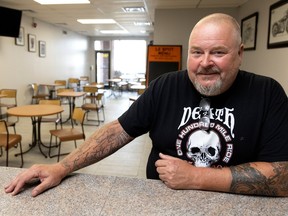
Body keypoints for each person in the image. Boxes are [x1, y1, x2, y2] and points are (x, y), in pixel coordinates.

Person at [5, 13, 288, 197]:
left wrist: (196, 177)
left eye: (218, 52)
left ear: (239, 54)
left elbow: (282, 177)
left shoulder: (267, 93)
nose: (205, 62)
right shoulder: (166, 86)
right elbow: (118, 130)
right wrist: (61, 167)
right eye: (197, 52)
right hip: (159, 202)